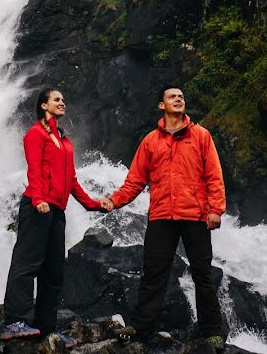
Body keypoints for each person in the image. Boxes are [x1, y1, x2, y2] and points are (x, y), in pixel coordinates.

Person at [100, 85, 227, 352]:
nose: (179, 99)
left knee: (202, 273)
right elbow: (134, 181)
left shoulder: (201, 136)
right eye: (172, 96)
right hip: (161, 215)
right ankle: (141, 328)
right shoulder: (150, 141)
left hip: (195, 214)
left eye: (181, 96)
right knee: (154, 274)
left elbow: (214, 175)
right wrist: (114, 201)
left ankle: (212, 331)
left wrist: (215, 208)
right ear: (161, 105)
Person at [1, 88, 105, 348]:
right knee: (27, 263)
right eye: (56, 99)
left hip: (57, 212)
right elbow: (34, 169)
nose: (62, 102)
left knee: (53, 273)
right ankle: (15, 321)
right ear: (44, 106)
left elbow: (71, 181)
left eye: (63, 99)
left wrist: (92, 205)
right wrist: (38, 199)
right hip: (37, 207)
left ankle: (47, 329)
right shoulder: (35, 134)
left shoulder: (64, 140)